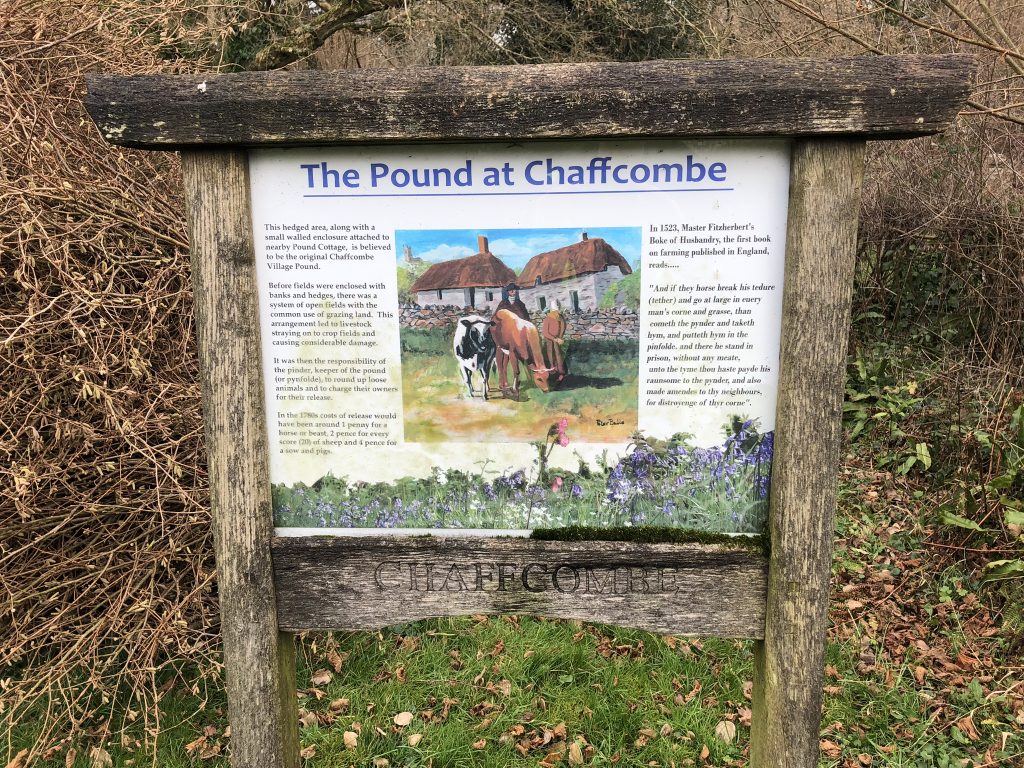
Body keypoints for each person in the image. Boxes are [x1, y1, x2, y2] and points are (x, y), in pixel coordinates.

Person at [541, 302, 568, 379]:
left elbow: (563, 326)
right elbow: (545, 332)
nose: (557, 313)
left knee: (558, 354)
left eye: (557, 311)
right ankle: (552, 370)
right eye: (555, 311)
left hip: (557, 338)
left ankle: (561, 371)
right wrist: (555, 339)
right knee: (549, 353)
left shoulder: (560, 317)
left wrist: (560, 337)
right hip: (549, 339)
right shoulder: (547, 319)